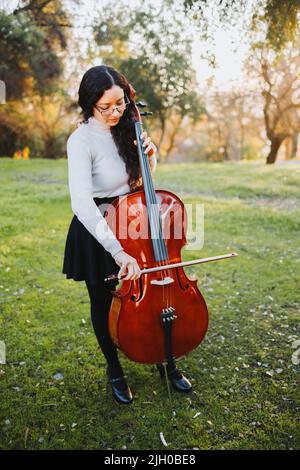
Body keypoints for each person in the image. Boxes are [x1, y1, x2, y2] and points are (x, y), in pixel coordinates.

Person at [62, 65, 191, 405]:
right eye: (105, 107)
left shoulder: (128, 126)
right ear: (90, 103)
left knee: (153, 296)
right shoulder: (81, 141)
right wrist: (118, 252)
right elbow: (81, 202)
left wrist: (150, 158)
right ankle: (114, 369)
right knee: (105, 302)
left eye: (120, 103)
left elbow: (140, 183)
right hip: (99, 226)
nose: (115, 112)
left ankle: (165, 356)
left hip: (135, 220)